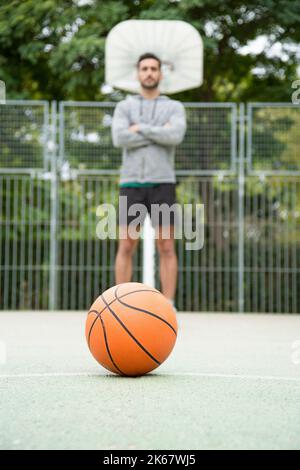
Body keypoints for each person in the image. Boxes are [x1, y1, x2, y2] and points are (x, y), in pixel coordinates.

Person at [112, 52, 187, 309]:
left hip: (163, 183)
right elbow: (120, 138)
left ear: (160, 73)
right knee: (126, 244)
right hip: (131, 183)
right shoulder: (124, 107)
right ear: (138, 73)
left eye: (153, 68)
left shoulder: (174, 107)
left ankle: (168, 303)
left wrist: (139, 128)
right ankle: (121, 303)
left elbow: (175, 135)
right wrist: (158, 131)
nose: (149, 73)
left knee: (166, 245)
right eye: (144, 68)